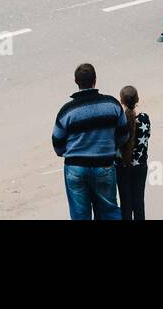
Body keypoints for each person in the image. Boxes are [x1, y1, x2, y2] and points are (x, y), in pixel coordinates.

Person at [51, 62, 127, 220]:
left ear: (76, 81)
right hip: (104, 166)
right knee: (109, 211)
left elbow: (57, 145)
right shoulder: (111, 104)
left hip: (76, 168)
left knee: (80, 215)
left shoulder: (67, 111)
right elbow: (123, 135)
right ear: (95, 80)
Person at [115, 85, 150, 220]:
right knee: (139, 202)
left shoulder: (119, 122)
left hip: (122, 166)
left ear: (121, 101)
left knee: (125, 205)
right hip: (140, 166)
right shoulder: (144, 119)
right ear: (137, 99)